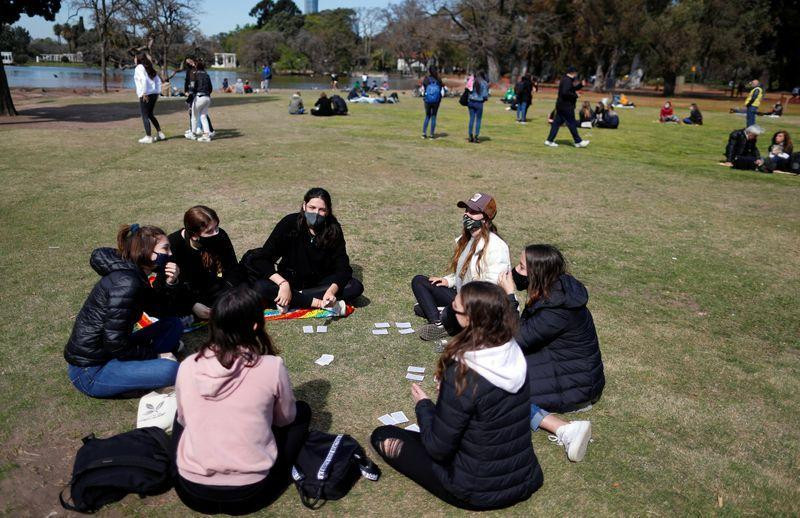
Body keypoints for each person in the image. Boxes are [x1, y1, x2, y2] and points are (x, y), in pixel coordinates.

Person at [372, 282, 543, 510]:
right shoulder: (512, 351)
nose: (449, 313)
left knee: (382, 435)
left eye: (454, 308)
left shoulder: (463, 374)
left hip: (475, 489)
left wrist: (424, 405)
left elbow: (437, 448)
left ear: (470, 319)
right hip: (526, 476)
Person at [173, 285, 311, 514]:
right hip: (251, 493)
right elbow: (285, 420)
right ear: (256, 326)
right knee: (301, 412)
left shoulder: (187, 365)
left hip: (191, 490)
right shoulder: (271, 366)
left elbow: (185, 420)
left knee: (177, 418)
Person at [498, 244, 602, 461]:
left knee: (500, 389)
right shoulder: (552, 291)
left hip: (577, 383)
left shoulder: (557, 308)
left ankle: (565, 430)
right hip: (562, 364)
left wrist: (509, 295)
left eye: (522, 268)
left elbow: (517, 339)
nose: (516, 271)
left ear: (538, 274)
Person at [64, 224, 184, 398]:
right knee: (171, 370)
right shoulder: (127, 282)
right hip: (92, 369)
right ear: (146, 251)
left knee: (173, 324)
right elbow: (115, 343)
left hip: (112, 350)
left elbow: (159, 310)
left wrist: (169, 282)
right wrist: (156, 355)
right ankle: (144, 373)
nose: (170, 254)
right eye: (165, 249)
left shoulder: (134, 273)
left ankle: (142, 369)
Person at [234, 188, 362, 312]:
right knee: (261, 287)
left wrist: (331, 291)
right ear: (304, 206)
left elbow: (343, 267)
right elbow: (262, 258)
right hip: (291, 280)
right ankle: (317, 303)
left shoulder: (333, 228)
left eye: (322, 209)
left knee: (355, 287)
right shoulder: (289, 223)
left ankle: (294, 298)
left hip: (320, 282)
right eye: (312, 208)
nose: (316, 213)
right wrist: (283, 284)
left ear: (328, 211)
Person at [412, 193, 510, 345]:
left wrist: (463, 303)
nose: (466, 214)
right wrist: (447, 280)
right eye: (466, 210)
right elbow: (464, 271)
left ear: (486, 217)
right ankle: (439, 322)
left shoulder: (497, 247)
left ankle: (449, 319)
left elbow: (492, 289)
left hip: (477, 305)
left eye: (473, 211)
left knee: (422, 308)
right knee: (419, 281)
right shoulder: (468, 238)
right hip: (461, 295)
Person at [168, 206, 237, 322]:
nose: (216, 233)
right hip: (188, 292)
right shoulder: (174, 244)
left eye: (217, 227)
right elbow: (168, 284)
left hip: (216, 286)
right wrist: (192, 304)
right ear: (194, 235)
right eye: (209, 231)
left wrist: (229, 288)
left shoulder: (221, 235)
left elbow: (232, 266)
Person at [545, 66, 589, 148]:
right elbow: (565, 92)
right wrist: (576, 95)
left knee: (556, 123)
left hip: (561, 106)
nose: (576, 74)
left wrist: (580, 85)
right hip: (566, 106)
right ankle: (578, 141)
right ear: (573, 73)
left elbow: (571, 89)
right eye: (576, 72)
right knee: (572, 123)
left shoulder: (566, 80)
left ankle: (549, 140)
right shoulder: (567, 80)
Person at [134, 53, 164, 144]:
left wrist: (144, 93)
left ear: (138, 59)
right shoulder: (148, 67)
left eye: (135, 58)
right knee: (150, 114)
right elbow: (158, 80)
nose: (134, 60)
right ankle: (160, 133)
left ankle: (148, 137)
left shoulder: (139, 67)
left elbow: (143, 79)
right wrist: (157, 92)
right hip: (154, 93)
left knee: (145, 115)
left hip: (146, 94)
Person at [189, 59, 213, 142]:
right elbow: (210, 88)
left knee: (194, 116)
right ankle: (206, 135)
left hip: (199, 97)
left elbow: (192, 88)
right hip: (207, 98)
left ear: (196, 66)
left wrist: (190, 98)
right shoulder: (207, 75)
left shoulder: (195, 74)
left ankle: (193, 134)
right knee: (203, 116)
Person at [467, 70, 489, 143]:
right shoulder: (484, 83)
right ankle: (476, 136)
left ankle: (470, 136)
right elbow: (485, 95)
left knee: (471, 119)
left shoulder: (472, 81)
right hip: (479, 103)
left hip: (471, 101)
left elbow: (467, 90)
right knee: (478, 120)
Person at [422, 66, 443, 139]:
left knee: (427, 116)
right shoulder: (439, 79)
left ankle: (424, 133)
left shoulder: (426, 79)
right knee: (434, 116)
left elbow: (424, 88)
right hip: (436, 101)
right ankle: (431, 134)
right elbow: (441, 89)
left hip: (427, 100)